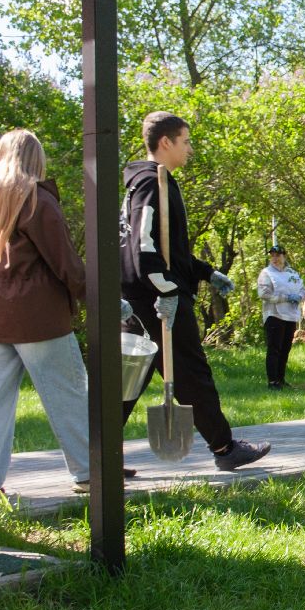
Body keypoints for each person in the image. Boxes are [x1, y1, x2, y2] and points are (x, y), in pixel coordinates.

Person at [0, 129, 103, 498]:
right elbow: (64, 259)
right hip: (39, 314)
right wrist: (95, 297)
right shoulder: (34, 197)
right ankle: (90, 472)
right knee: (68, 392)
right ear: (35, 160)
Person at [120, 112, 270, 471]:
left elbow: (168, 249)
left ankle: (96, 456)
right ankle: (225, 448)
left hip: (139, 299)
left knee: (127, 381)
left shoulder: (148, 182)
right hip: (158, 300)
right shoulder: (150, 183)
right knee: (192, 373)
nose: (190, 149)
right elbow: (142, 247)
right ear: (166, 142)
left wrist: (205, 272)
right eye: (185, 141)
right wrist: (166, 290)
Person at [256, 245, 305, 389]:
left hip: (291, 316)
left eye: (278, 255)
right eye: (272, 255)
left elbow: (303, 289)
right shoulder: (266, 273)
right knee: (274, 349)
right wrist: (285, 297)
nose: (275, 258)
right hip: (274, 315)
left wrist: (299, 296)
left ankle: (281, 379)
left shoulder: (292, 274)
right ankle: (272, 382)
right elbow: (263, 294)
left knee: (285, 349)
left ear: (284, 256)